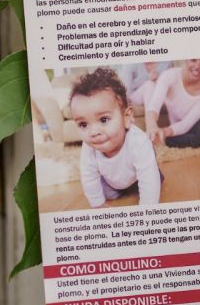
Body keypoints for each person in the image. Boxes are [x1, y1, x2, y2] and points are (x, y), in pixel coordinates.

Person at [69, 68, 161, 207]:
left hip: (138, 177)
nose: (93, 132)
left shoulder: (139, 142)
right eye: (83, 124)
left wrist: (147, 212)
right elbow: (89, 177)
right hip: (112, 182)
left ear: (127, 117)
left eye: (104, 120)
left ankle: (152, 173)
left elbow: (150, 189)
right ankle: (119, 190)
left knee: (153, 180)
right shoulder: (89, 147)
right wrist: (99, 205)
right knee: (104, 193)